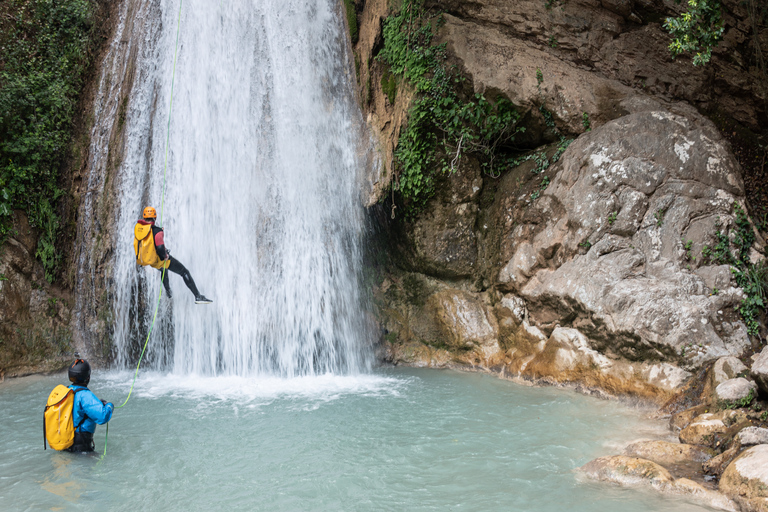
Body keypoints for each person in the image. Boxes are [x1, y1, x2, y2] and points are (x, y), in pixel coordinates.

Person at [133, 206, 212, 304]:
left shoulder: (138, 229)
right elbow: (161, 248)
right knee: (184, 272)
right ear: (155, 217)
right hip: (157, 260)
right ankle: (198, 296)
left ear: (144, 217)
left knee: (163, 269)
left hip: (147, 260)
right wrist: (165, 256)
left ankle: (169, 292)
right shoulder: (157, 231)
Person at [67, 358, 113, 453]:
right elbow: (103, 416)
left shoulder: (66, 391)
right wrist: (109, 406)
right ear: (88, 377)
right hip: (80, 447)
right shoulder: (85, 395)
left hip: (65, 444)